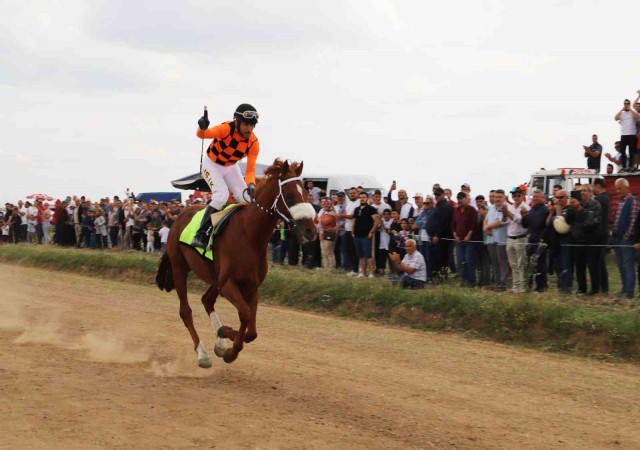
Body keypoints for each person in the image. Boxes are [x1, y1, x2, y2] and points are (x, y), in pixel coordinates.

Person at [192, 104, 261, 248]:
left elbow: (250, 171)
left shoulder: (254, 143)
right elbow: (202, 135)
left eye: (252, 125)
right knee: (221, 195)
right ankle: (200, 235)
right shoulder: (225, 128)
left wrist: (251, 185)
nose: (250, 129)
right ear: (237, 121)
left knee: (248, 198)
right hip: (211, 164)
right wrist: (202, 126)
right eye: (247, 124)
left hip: (230, 167)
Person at [614, 178, 638, 298]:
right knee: (621, 265)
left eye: (619, 188)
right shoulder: (620, 201)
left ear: (627, 188)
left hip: (626, 239)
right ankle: (624, 289)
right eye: (616, 188)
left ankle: (629, 292)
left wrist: (626, 236)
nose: (617, 191)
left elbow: (633, 222)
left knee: (628, 266)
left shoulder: (632, 201)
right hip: (618, 238)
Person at [522, 189, 549, 292]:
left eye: (537, 197)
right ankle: (529, 285)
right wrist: (524, 216)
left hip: (540, 242)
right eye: (533, 197)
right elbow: (525, 225)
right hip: (530, 241)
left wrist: (543, 240)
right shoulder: (532, 209)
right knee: (530, 265)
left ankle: (541, 286)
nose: (535, 199)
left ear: (543, 198)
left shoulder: (545, 210)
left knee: (540, 266)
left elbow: (546, 226)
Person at [504, 188, 530, 293]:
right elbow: (505, 220)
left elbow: (520, 221)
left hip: (520, 237)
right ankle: (515, 286)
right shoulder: (510, 207)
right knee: (513, 264)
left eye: (518, 195)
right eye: (514, 196)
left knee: (521, 264)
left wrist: (508, 213)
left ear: (522, 196)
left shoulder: (525, 207)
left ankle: (522, 287)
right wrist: (505, 213)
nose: (516, 197)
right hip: (510, 237)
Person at [451, 192, 478, 287]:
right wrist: (455, 235)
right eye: (458, 198)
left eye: (462, 198)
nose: (459, 200)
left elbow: (474, 225)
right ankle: (463, 280)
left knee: (469, 260)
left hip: (469, 241)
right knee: (461, 260)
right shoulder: (456, 210)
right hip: (459, 240)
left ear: (467, 199)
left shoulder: (472, 210)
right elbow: (453, 225)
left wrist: (469, 235)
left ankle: (471, 281)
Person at [352, 192, 380, 278]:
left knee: (368, 255)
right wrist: (352, 232)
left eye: (363, 197)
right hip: (357, 235)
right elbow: (354, 221)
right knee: (361, 255)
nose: (362, 199)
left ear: (367, 198)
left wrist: (371, 232)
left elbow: (377, 221)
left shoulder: (371, 209)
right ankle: (362, 273)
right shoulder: (356, 209)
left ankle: (371, 273)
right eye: (360, 197)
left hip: (366, 235)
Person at [614, 95, 640, 170]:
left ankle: (631, 167)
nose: (626, 104)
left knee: (631, 152)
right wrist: (623, 108)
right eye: (625, 103)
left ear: (629, 104)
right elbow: (615, 118)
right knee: (623, 152)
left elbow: (637, 116)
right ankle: (624, 167)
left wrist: (630, 108)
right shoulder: (622, 113)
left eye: (628, 103)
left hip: (632, 135)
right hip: (624, 135)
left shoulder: (633, 112)